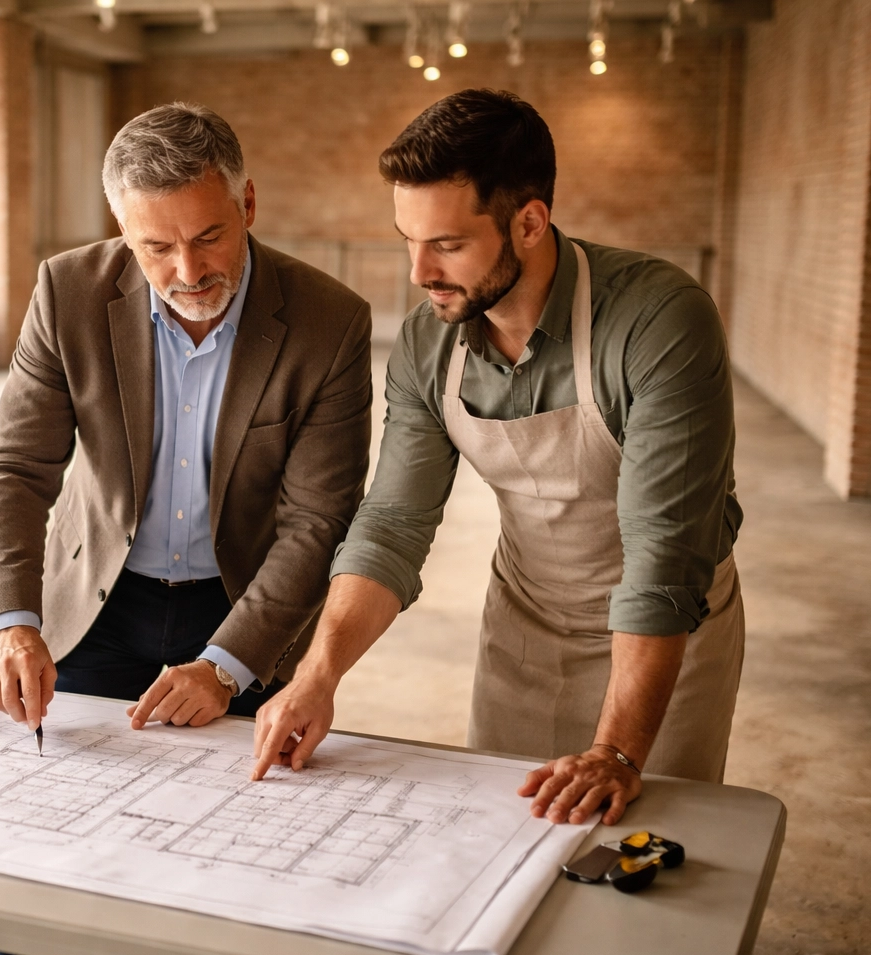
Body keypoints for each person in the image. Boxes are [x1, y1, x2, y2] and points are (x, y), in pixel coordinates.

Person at [0, 102, 373, 955]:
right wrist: (11, 623)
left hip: (242, 612)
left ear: (249, 204)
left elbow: (318, 521)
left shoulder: (328, 320)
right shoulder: (68, 292)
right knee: (50, 864)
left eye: (208, 237)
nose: (188, 272)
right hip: (94, 609)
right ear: (122, 230)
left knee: (224, 873)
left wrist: (228, 666)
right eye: (156, 248)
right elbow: (16, 468)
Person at [252, 89, 745, 832]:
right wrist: (317, 676)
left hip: (670, 631)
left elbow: (663, 554)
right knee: (505, 837)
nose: (419, 271)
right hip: (525, 625)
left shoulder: (657, 320)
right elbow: (392, 524)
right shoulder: (429, 342)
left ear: (529, 222)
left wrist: (616, 751)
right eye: (408, 240)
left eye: (447, 245)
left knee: (640, 848)